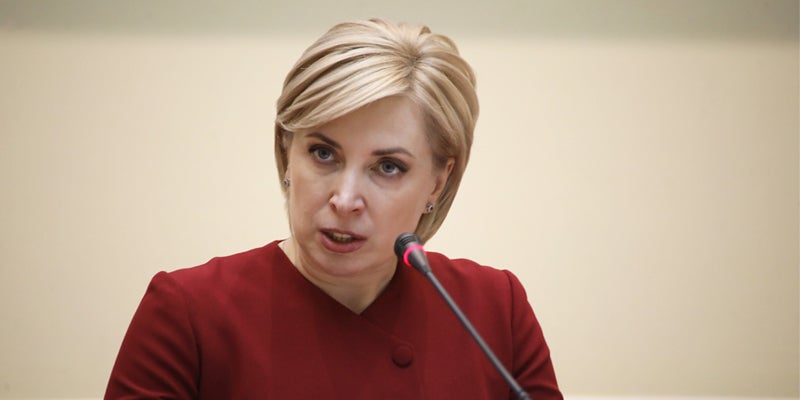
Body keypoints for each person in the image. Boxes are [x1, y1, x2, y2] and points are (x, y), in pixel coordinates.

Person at [105, 18, 562, 399]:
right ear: (287, 153)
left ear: (437, 183)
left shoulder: (495, 310)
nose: (344, 200)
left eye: (387, 167)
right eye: (324, 154)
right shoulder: (186, 313)